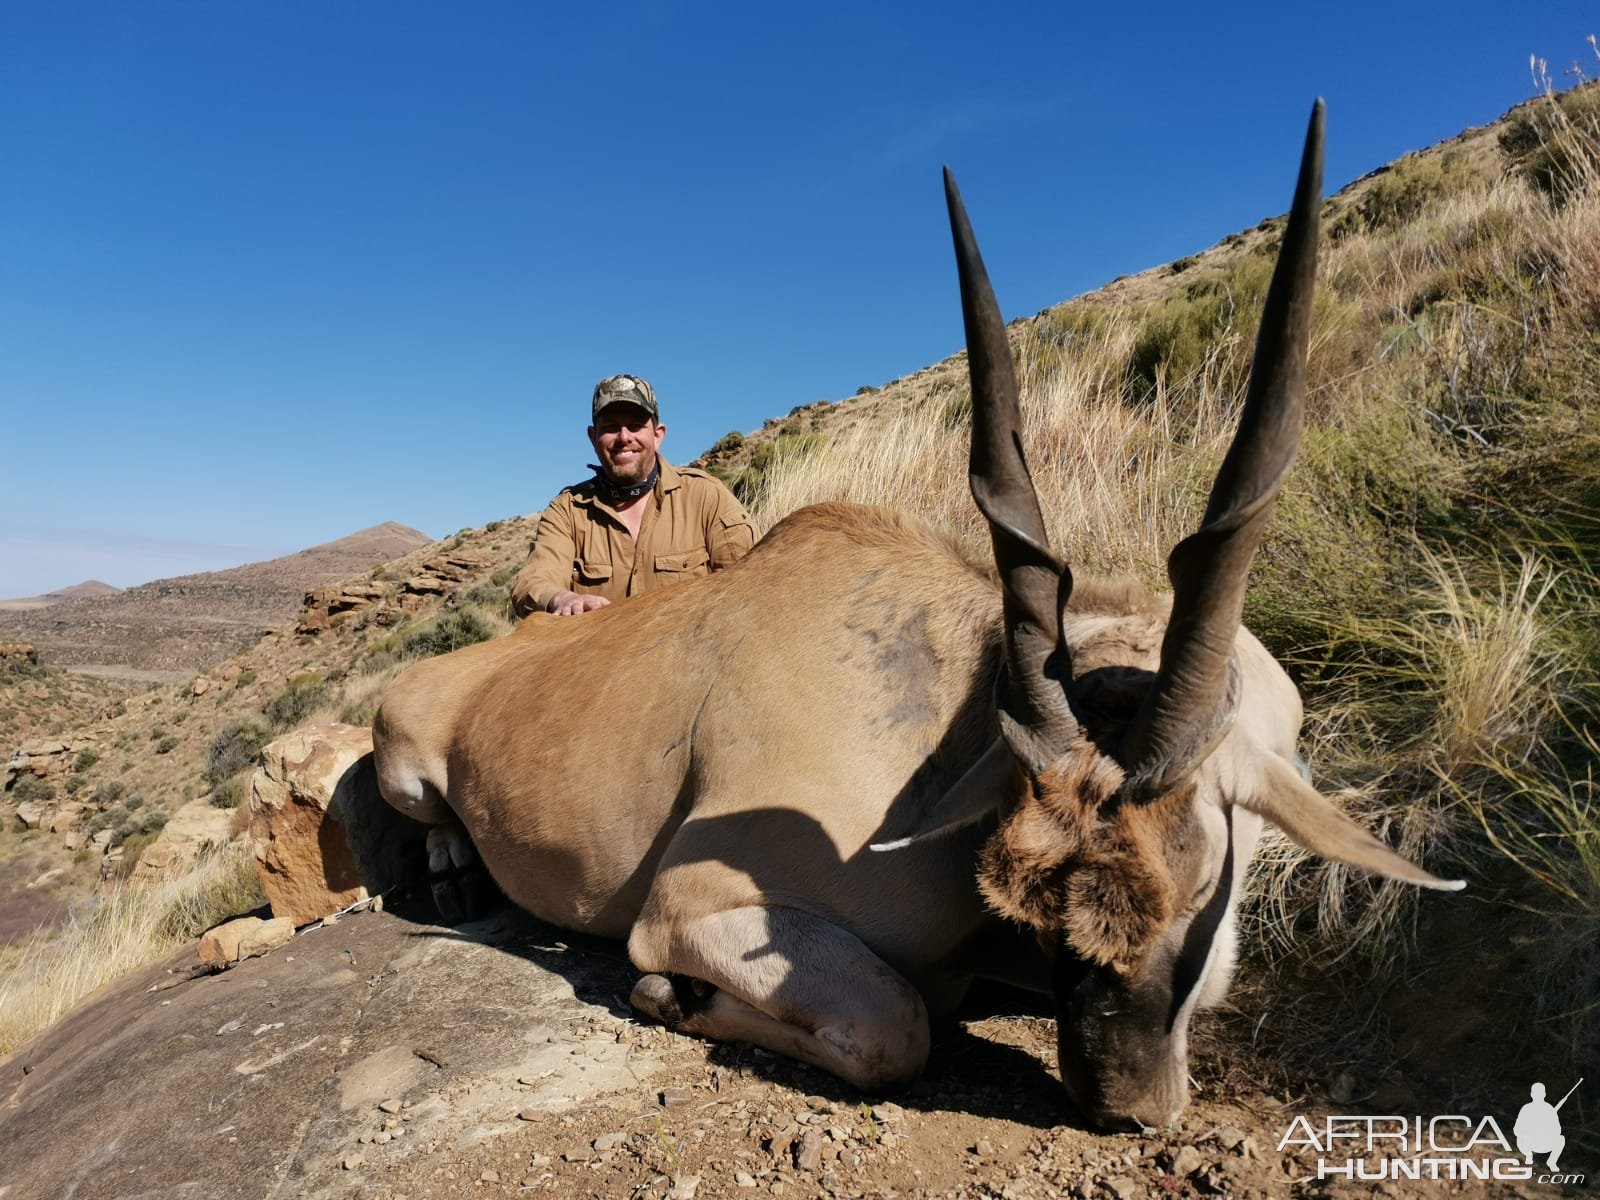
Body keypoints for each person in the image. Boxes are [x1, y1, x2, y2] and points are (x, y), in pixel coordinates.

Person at [511, 374, 757, 618]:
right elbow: (533, 582)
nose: (624, 437)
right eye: (611, 427)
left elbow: (751, 579)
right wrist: (563, 599)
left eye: (636, 426)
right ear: (593, 437)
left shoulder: (706, 497)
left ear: (658, 435)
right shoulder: (567, 510)